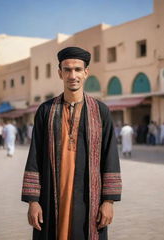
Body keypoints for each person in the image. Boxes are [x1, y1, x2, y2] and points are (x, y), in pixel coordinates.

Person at [21, 47, 122, 240]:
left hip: (89, 202)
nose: (72, 75)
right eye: (67, 70)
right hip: (51, 199)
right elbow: (35, 156)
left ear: (86, 73)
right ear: (60, 73)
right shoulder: (46, 111)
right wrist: (33, 201)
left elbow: (110, 157)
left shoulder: (101, 112)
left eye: (77, 69)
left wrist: (108, 201)